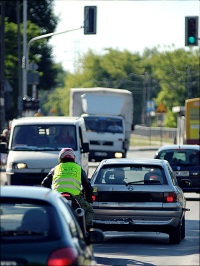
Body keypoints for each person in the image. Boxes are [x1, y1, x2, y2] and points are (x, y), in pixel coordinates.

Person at [41, 147, 94, 229]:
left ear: (60, 158)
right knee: (89, 211)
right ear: (73, 158)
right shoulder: (78, 168)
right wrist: (89, 200)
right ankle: (83, 230)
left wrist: (49, 196)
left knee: (48, 212)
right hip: (75, 197)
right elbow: (87, 186)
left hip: (57, 197)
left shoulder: (55, 169)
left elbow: (44, 183)